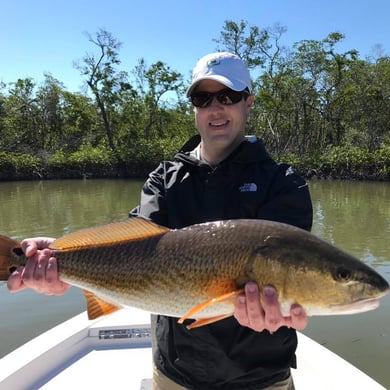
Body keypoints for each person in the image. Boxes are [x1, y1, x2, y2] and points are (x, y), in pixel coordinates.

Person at [8, 52, 313, 389]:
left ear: (248, 102)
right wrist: (60, 256)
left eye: (228, 96)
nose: (215, 108)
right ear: (194, 107)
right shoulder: (164, 178)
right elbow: (133, 248)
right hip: (174, 374)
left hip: (261, 377)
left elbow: (288, 271)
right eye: (203, 97)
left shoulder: (284, 183)